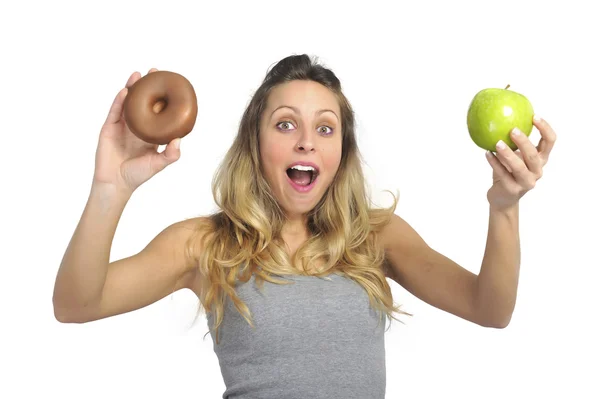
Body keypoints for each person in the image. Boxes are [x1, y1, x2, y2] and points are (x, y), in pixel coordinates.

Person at [52, 54, 557, 398]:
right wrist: (111, 188)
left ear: (342, 151)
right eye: (286, 124)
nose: (306, 143)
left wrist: (505, 204)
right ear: (256, 142)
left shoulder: (375, 237)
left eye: (325, 128)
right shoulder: (206, 245)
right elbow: (76, 304)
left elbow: (489, 309)